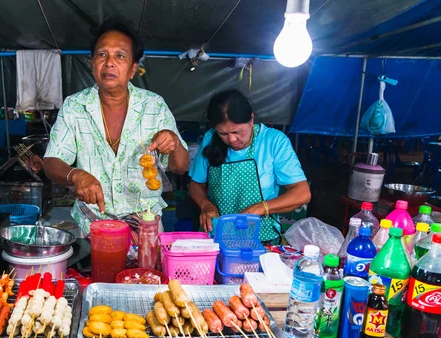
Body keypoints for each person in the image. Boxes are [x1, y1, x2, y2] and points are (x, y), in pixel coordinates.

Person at [44, 18, 189, 235]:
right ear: (92, 63)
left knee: (144, 271)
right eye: (102, 54)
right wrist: (76, 175)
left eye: (120, 56)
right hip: (92, 227)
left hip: (145, 228)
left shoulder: (154, 105)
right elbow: (52, 161)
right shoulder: (75, 106)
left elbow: (180, 167)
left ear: (133, 69)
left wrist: (175, 144)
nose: (109, 62)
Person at [188, 90, 311, 243]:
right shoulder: (210, 138)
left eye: (237, 131)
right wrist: (206, 205)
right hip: (216, 236)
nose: (232, 139)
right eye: (223, 134)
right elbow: (195, 184)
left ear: (251, 119)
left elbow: (302, 193)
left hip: (261, 239)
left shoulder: (274, 141)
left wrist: (261, 208)